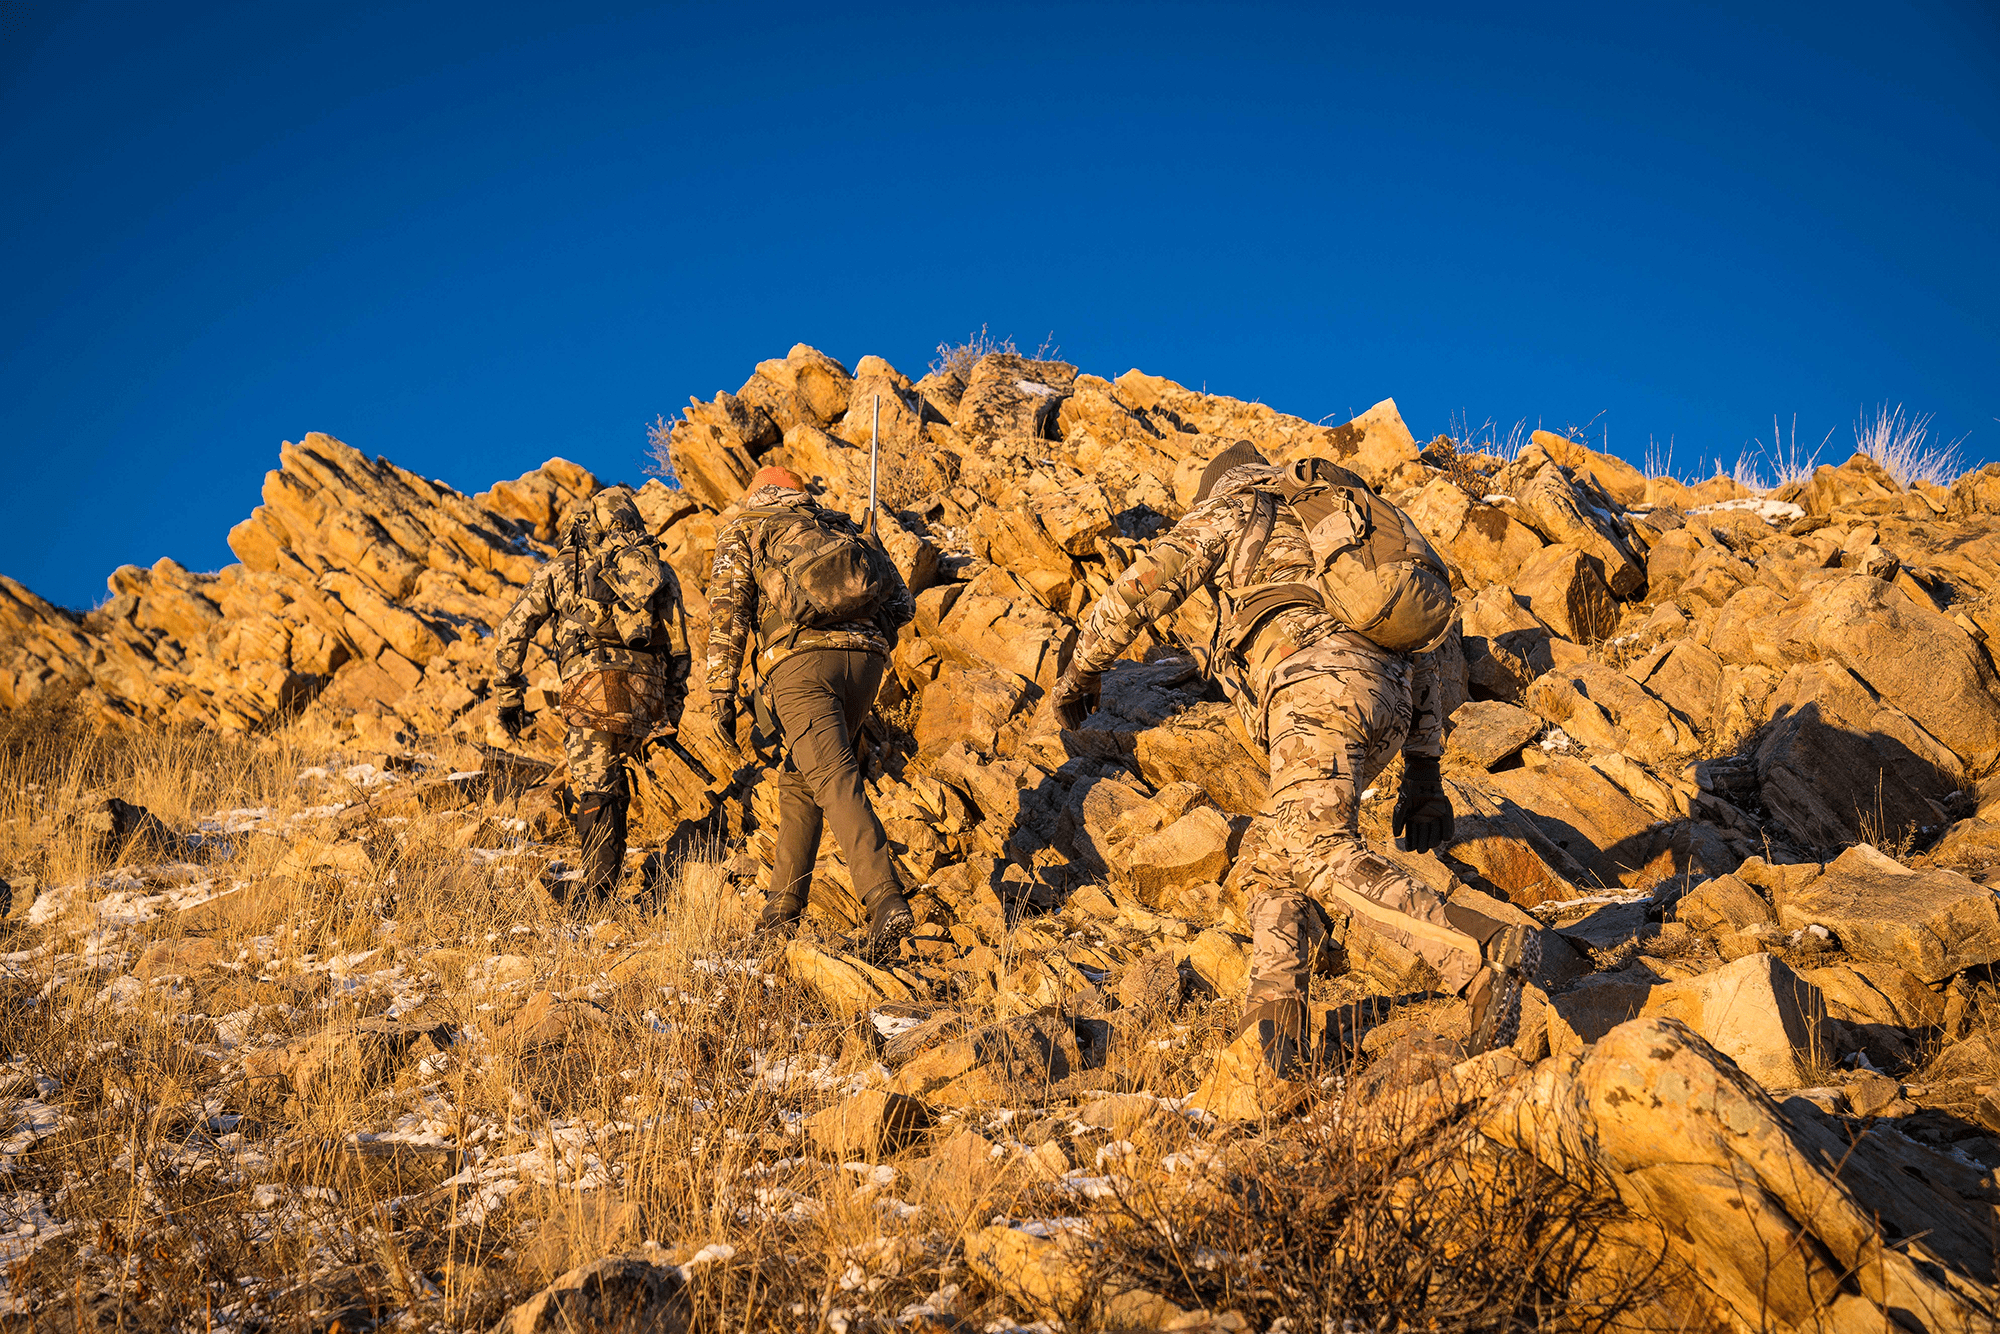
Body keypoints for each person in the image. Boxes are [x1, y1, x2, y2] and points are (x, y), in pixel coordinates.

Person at [1051, 441, 1538, 1073]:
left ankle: (1482, 953)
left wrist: (1084, 669)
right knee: (1271, 862)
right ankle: (1274, 1048)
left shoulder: (1237, 504)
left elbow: (1149, 583)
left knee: (1316, 851)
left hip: (1313, 685)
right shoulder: (1338, 527)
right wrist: (1422, 770)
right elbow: (1420, 652)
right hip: (1380, 700)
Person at [706, 465, 917, 954]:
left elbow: (728, 610)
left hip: (800, 666)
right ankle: (781, 911)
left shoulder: (748, 526)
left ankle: (885, 899)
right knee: (802, 777)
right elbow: (902, 605)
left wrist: (721, 691)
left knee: (833, 777)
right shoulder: (841, 526)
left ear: (760, 492)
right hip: (866, 664)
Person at [493, 484, 691, 906]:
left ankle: (597, 892)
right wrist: (670, 709)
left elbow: (513, 631)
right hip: (647, 691)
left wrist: (509, 695)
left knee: (597, 783)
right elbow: (680, 648)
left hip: (591, 689)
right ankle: (606, 883)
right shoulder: (657, 568)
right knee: (615, 775)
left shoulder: (564, 568)